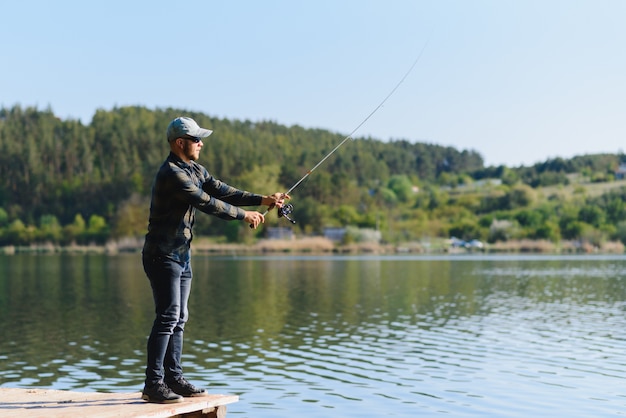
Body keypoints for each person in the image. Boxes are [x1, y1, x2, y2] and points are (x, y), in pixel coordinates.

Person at [141, 116, 288, 403]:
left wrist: (263, 200)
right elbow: (206, 201)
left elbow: (221, 190)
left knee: (180, 318)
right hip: (162, 255)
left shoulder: (195, 169)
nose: (201, 143)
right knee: (168, 316)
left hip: (181, 255)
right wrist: (245, 215)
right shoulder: (172, 173)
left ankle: (173, 377)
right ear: (180, 143)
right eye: (196, 139)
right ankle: (153, 384)